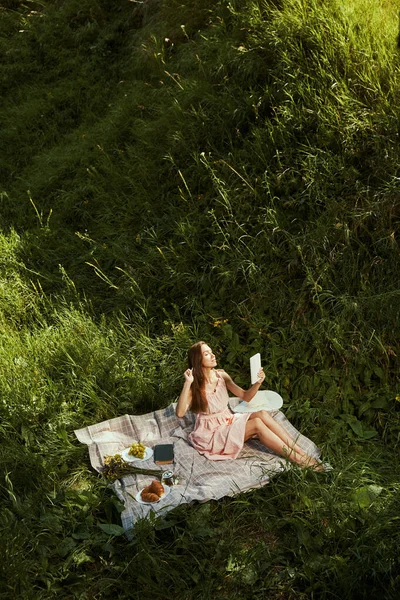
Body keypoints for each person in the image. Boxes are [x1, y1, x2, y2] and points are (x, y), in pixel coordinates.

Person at [176, 341, 324, 469]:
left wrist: (258, 383)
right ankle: (299, 460)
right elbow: (180, 413)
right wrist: (187, 383)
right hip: (211, 435)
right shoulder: (194, 386)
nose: (213, 355)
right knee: (257, 424)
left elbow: (245, 396)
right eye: (207, 354)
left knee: (261, 413)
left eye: (211, 351)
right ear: (198, 359)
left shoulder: (221, 375)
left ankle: (300, 451)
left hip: (227, 421)